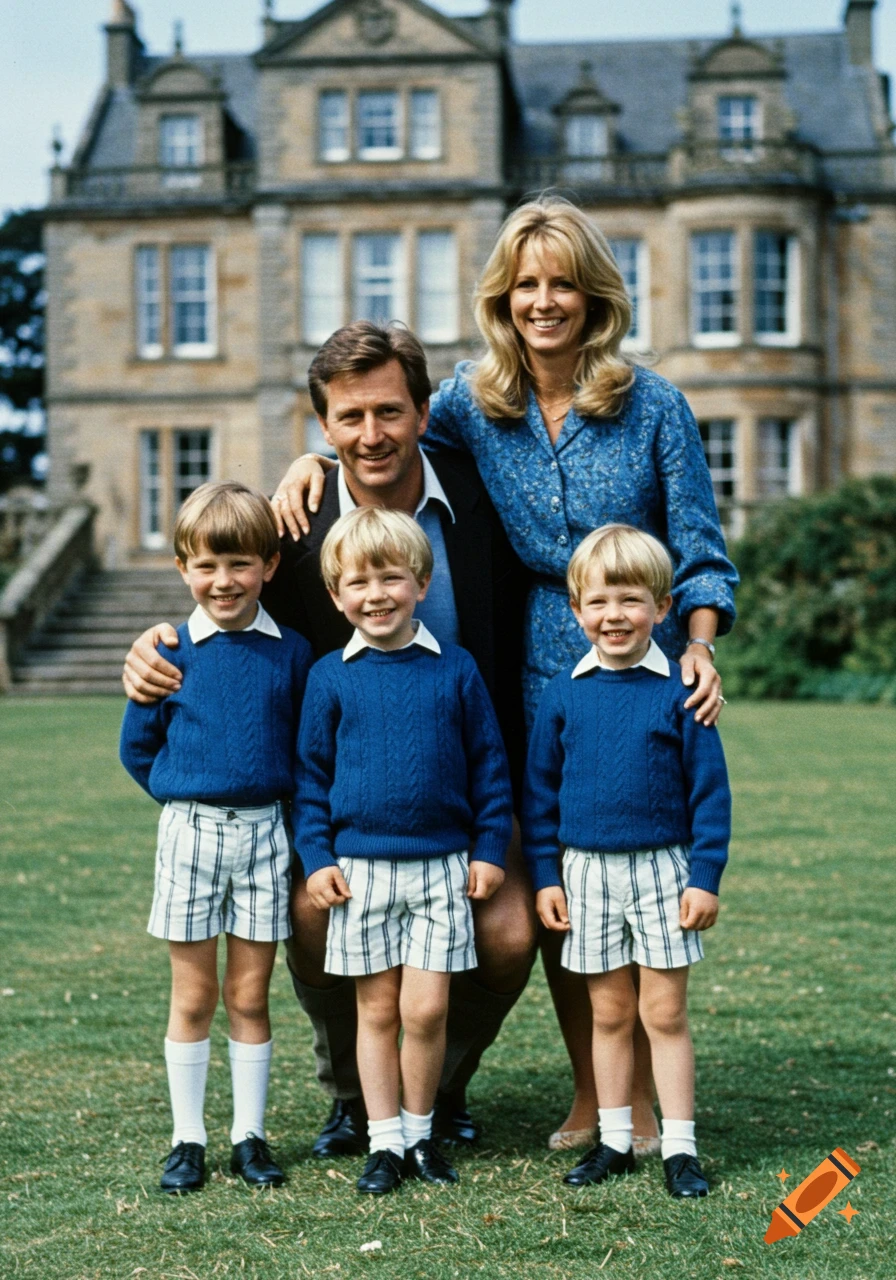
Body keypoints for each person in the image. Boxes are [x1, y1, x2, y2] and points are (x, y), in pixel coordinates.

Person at [271, 195, 738, 1153]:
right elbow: (373, 432)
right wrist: (308, 462)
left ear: (596, 292)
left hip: (633, 654)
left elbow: (698, 543)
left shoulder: (655, 406)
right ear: (502, 296)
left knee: (623, 862)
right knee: (568, 877)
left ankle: (619, 1098)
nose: (544, 300)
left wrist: (697, 641)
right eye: (526, 283)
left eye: (563, 280)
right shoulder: (476, 405)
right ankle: (517, 1095)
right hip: (524, 660)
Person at [121, 322, 536, 1158]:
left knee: (509, 934)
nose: (371, 435)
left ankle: (438, 1087)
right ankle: (353, 1093)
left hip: (467, 778)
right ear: (323, 427)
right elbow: (229, 603)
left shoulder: (483, 492)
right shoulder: (294, 526)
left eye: (389, 411)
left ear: (425, 411)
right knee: (312, 919)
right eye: (348, 419)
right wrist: (154, 647)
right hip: (348, 798)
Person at [295, 507, 513, 1194]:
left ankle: (421, 1137)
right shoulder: (330, 676)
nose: (376, 594)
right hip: (359, 872)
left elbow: (490, 769)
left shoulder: (457, 671)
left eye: (392, 577)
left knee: (426, 1011)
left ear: (421, 582)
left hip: (442, 867)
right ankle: (383, 1143)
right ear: (337, 595)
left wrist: (489, 849)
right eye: (358, 582)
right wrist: (318, 857)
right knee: (377, 1011)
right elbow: (310, 778)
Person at [119, 482, 314, 1193]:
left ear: (267, 564)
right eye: (205, 565)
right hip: (191, 835)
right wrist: (186, 801)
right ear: (182, 568)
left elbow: (302, 752)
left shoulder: (291, 653)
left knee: (251, 995)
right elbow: (139, 750)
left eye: (238, 563)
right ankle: (189, 1138)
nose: (222, 580)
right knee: (194, 996)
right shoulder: (170, 650)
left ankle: (250, 1137)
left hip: (267, 835)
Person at [524, 524, 730, 1197]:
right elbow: (540, 800)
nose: (615, 616)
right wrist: (548, 877)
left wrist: (705, 878)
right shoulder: (560, 696)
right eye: (599, 602)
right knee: (608, 1014)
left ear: (663, 608)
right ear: (576, 609)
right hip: (587, 876)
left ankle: (679, 1148)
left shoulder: (680, 692)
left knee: (663, 1015)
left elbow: (710, 796)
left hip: (664, 874)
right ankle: (614, 1140)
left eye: (632, 601)